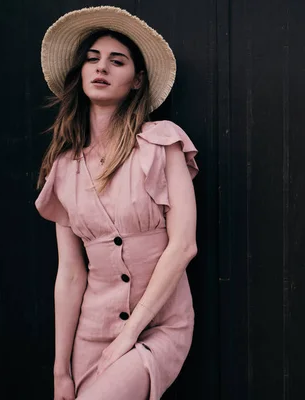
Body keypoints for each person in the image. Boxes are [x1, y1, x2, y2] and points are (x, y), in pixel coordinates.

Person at [35, 6, 198, 400]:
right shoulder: (63, 168)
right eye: (92, 59)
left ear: (137, 80)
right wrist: (61, 372)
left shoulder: (161, 144)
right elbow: (71, 274)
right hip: (90, 333)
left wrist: (128, 335)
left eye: (116, 60)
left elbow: (183, 246)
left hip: (156, 325)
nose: (101, 67)